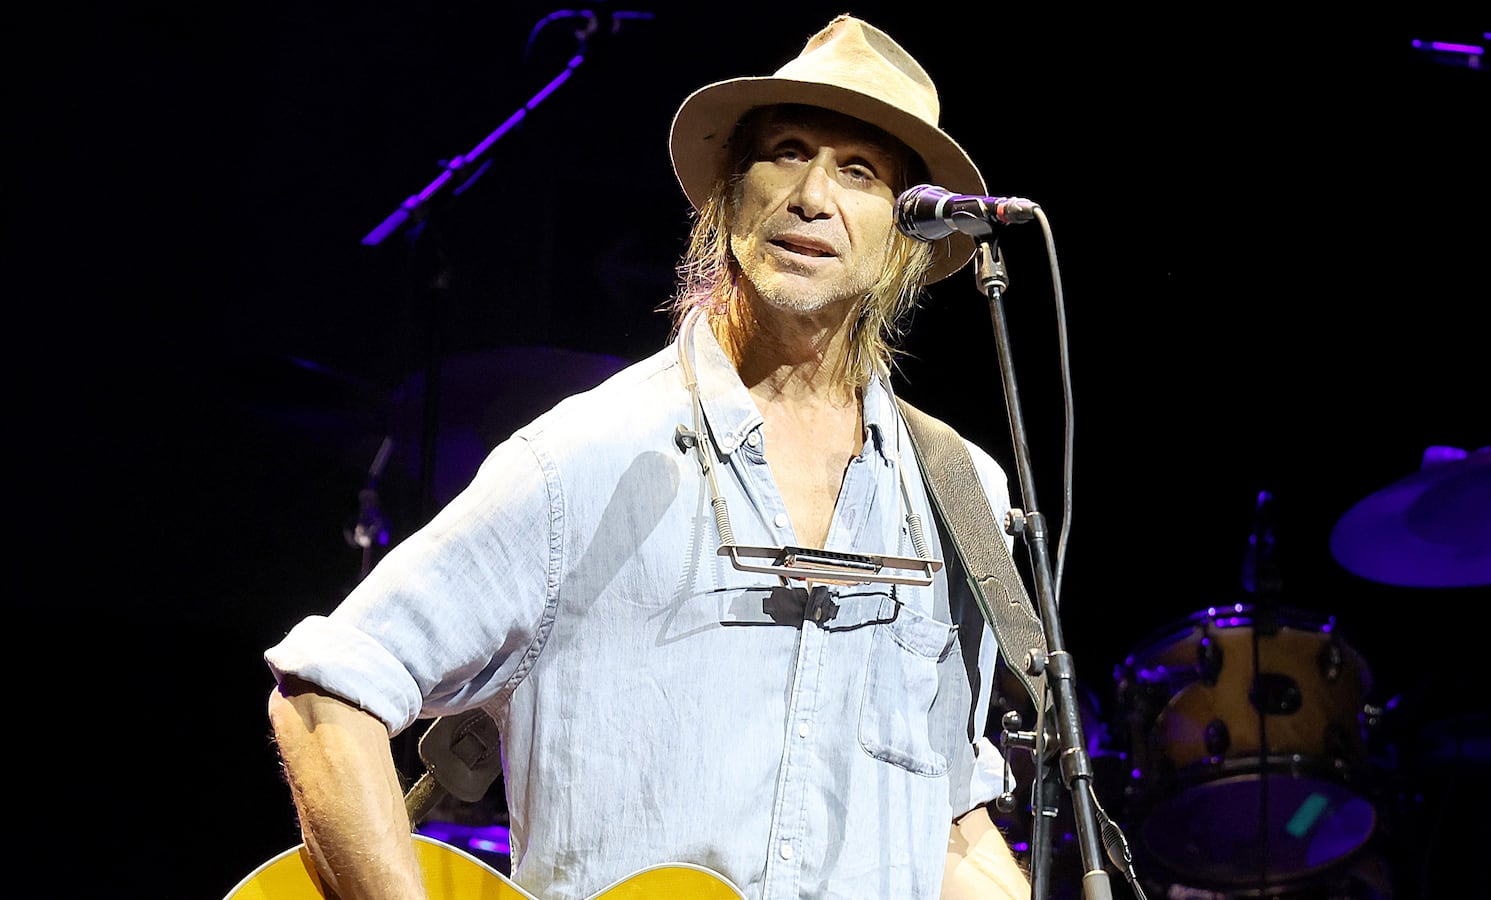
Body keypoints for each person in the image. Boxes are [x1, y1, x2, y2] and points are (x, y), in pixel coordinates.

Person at [264, 13, 1035, 900]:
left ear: (909, 236)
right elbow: (328, 687)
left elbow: (948, 826)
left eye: (858, 172)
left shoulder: (961, 495)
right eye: (786, 153)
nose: (813, 196)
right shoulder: (589, 454)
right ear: (726, 194)